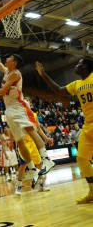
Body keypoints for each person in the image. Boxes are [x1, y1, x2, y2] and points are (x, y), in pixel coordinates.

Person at [0, 46, 55, 187]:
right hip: (9, 109)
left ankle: (46, 159)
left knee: (31, 130)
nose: (6, 59)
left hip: (18, 106)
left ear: (14, 62)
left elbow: (3, 90)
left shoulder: (15, 74)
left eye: (9, 58)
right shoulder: (7, 71)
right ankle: (32, 168)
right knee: (19, 140)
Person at [36, 57, 93, 204]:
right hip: (88, 125)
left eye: (79, 63)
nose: (76, 66)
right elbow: (58, 90)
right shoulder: (77, 84)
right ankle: (92, 192)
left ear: (86, 66)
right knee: (81, 159)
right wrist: (43, 74)